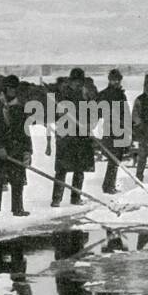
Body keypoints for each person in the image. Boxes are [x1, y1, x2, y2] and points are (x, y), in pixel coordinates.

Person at [0, 74, 32, 218]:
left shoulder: (21, 106)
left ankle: (17, 209)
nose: (12, 91)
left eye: (15, 88)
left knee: (17, 182)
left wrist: (27, 151)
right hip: (0, 152)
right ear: (5, 88)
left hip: (16, 149)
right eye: (10, 88)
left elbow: (26, 131)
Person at [50, 67, 94, 206]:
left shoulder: (85, 95)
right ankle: (56, 199)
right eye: (75, 81)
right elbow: (56, 115)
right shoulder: (63, 95)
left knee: (79, 169)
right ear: (70, 81)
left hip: (81, 137)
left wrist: (87, 125)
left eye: (80, 82)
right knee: (62, 169)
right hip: (66, 137)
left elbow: (92, 113)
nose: (77, 84)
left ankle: (76, 197)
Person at [95, 68, 129, 194]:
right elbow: (96, 112)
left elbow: (125, 112)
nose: (116, 82)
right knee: (113, 157)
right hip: (109, 129)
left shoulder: (121, 95)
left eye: (117, 80)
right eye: (113, 80)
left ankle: (109, 185)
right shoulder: (104, 94)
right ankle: (108, 186)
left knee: (116, 158)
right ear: (109, 80)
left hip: (121, 130)